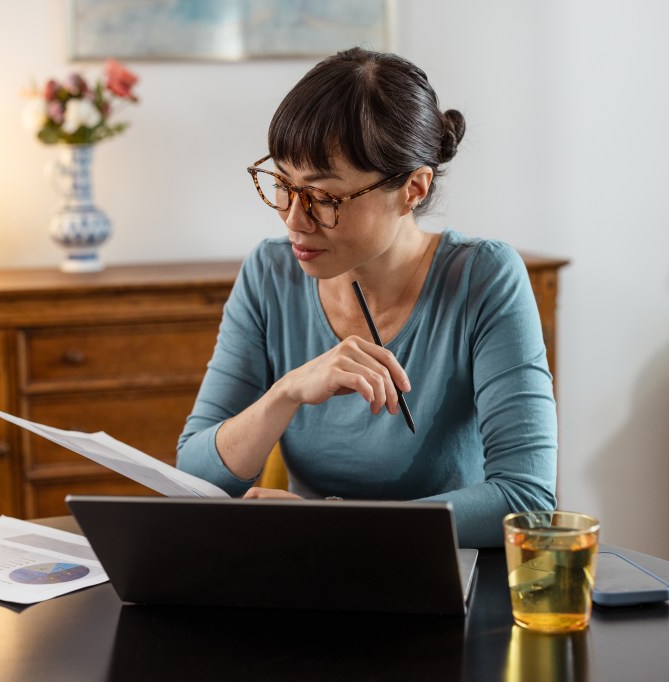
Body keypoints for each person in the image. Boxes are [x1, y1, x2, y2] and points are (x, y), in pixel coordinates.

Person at [176, 47, 556, 547]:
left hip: (440, 573)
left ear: (414, 189)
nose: (294, 220)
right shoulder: (270, 273)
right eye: (283, 185)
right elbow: (193, 476)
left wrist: (338, 528)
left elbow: (526, 501)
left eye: (325, 197)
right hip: (307, 570)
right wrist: (286, 392)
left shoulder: (483, 278)